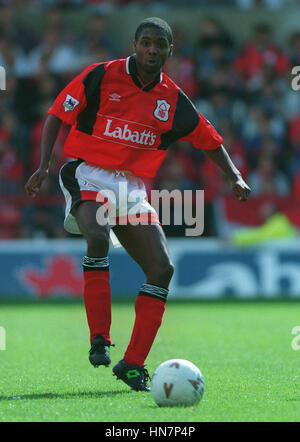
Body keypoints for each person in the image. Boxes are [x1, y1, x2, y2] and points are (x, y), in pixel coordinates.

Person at [25, 17, 251, 392]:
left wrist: (235, 175)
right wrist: (44, 165)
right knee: (96, 236)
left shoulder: (173, 99)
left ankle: (132, 364)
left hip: (130, 187)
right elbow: (56, 114)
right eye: (145, 43)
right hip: (87, 172)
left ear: (169, 50)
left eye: (159, 45)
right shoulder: (101, 75)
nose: (151, 50)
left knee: (162, 269)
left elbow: (209, 139)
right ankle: (100, 337)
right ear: (134, 44)